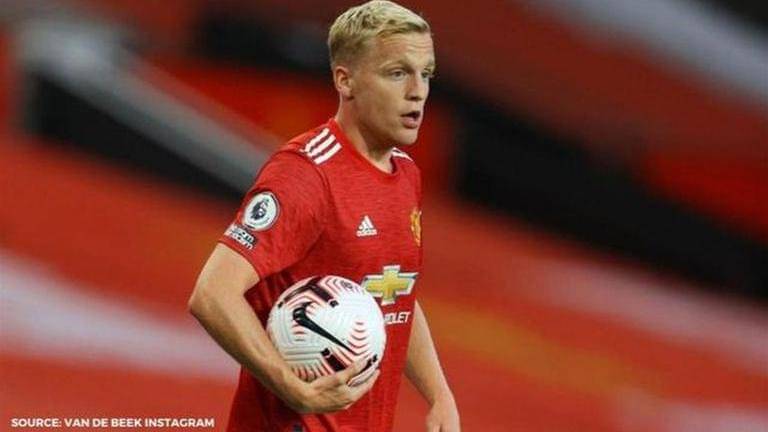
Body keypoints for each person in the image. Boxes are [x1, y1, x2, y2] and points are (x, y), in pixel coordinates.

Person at [188, 1, 459, 431]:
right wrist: (292, 388)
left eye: (425, 74)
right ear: (345, 80)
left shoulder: (406, 173)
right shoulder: (305, 175)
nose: (417, 91)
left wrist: (439, 394)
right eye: (397, 73)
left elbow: (393, 291)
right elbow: (212, 294)